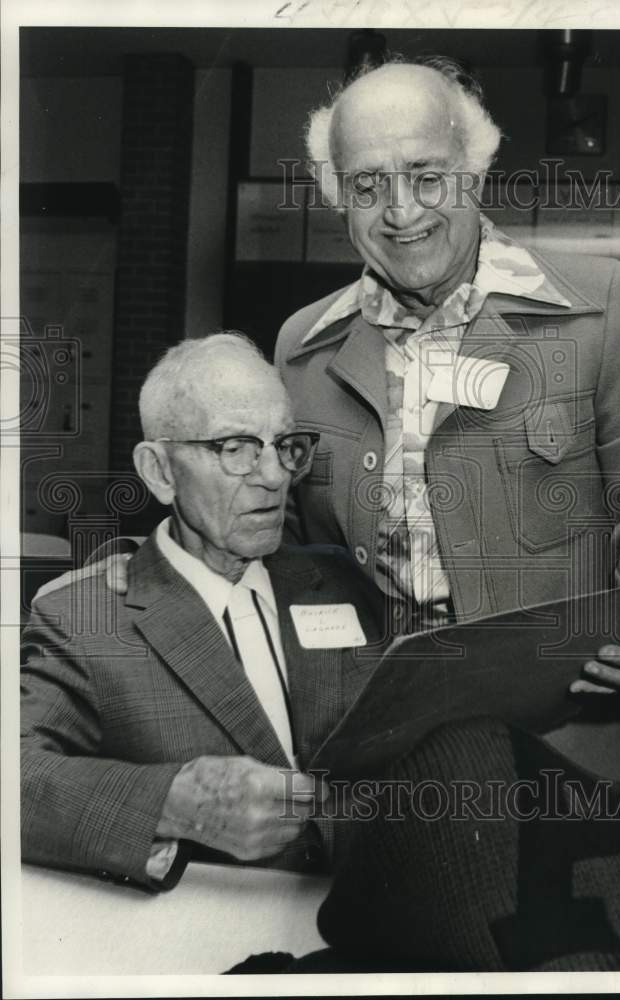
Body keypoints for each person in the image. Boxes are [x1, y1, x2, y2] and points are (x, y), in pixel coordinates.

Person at [21, 332, 522, 969]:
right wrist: (176, 803)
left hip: (394, 941)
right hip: (212, 952)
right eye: (235, 448)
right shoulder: (88, 616)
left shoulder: (340, 580)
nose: (274, 476)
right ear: (158, 471)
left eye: (286, 446)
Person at [274, 57, 620, 774]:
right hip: (378, 755)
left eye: (426, 175)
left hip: (573, 746)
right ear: (336, 196)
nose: (401, 211)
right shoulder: (301, 350)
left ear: (473, 171)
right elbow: (284, 556)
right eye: (367, 184)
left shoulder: (599, 309)